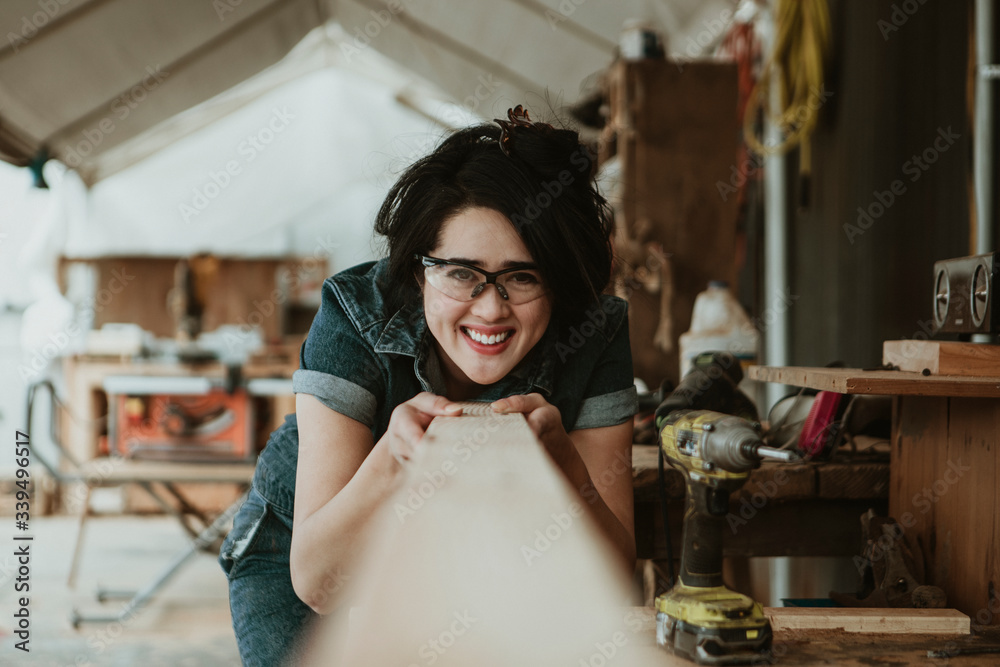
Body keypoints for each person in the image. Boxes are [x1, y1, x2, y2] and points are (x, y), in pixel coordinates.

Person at [218, 106, 638, 666]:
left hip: (478, 531)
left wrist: (565, 462)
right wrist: (394, 455)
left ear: (558, 278)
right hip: (303, 535)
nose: (491, 308)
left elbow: (613, 585)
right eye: (461, 273)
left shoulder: (596, 327)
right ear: (420, 271)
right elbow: (318, 583)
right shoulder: (353, 311)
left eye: (523, 276)